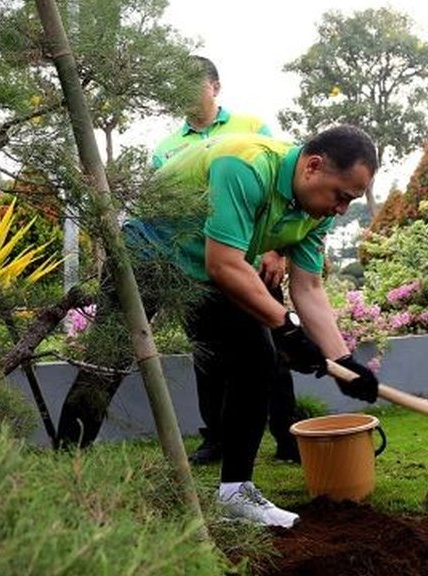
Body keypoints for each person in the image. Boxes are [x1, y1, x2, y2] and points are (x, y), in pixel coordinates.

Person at [127, 125, 380, 527]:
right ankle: (68, 478)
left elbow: (308, 287)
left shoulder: (315, 212)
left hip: (209, 265)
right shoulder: (245, 164)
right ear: (313, 166)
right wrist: (288, 329)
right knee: (106, 363)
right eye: (342, 196)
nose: (342, 209)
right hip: (149, 250)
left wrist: (343, 362)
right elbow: (224, 264)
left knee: (258, 360)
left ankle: (235, 494)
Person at [150, 55, 302, 465]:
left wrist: (275, 250)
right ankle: (216, 438)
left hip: (252, 264)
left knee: (274, 345)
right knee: (208, 356)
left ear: (215, 86)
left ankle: (288, 434)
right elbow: (162, 212)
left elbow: (283, 186)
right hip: (198, 268)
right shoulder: (165, 149)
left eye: (192, 84)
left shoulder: (251, 127)